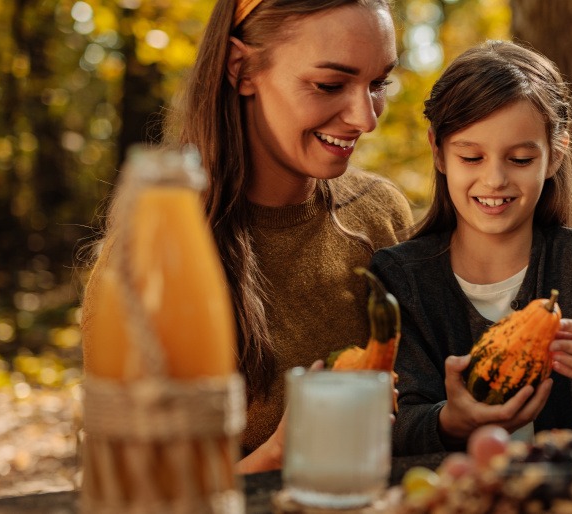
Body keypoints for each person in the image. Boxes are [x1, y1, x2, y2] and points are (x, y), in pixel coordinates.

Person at [81, 0, 411, 473]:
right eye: (330, 85)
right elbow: (133, 485)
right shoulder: (152, 259)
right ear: (242, 68)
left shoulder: (380, 214)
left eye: (378, 83)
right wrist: (279, 454)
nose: (366, 118)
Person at [369, 40, 572, 456]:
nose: (495, 179)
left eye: (519, 159)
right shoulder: (401, 277)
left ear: (554, 156)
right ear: (438, 151)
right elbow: (385, 426)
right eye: (471, 157)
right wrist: (450, 421)